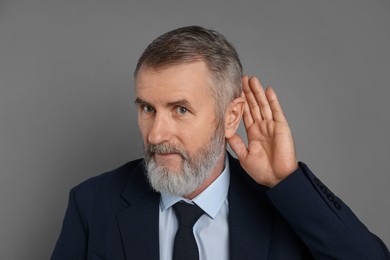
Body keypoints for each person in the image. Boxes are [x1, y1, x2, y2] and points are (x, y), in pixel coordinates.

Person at [51, 25, 390, 260]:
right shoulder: (92, 205)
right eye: (147, 109)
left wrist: (287, 182)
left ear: (231, 117)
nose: (155, 135)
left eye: (180, 109)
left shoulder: (287, 207)